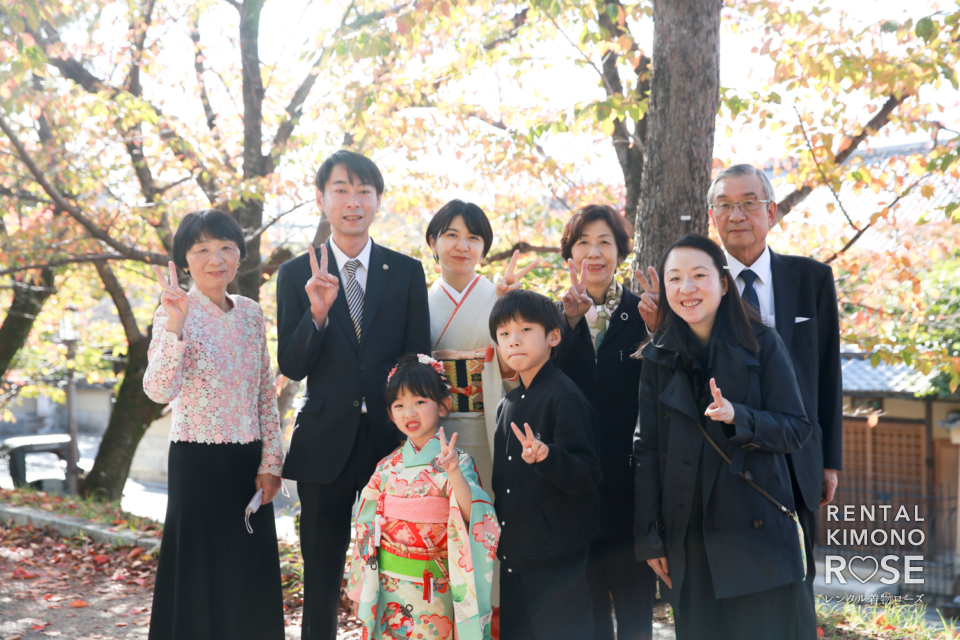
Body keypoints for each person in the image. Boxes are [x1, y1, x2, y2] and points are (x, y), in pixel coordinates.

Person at [276, 150, 431, 640]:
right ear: (322, 200)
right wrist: (317, 315)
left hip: (393, 444)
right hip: (324, 444)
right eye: (341, 189)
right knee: (321, 575)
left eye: (364, 191)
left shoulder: (405, 272)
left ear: (379, 201)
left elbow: (416, 361)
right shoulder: (294, 274)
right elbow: (292, 365)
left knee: (398, 571)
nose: (353, 201)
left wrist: (417, 441)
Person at [633, 234, 812, 640]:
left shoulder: (762, 342)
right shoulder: (657, 355)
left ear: (724, 282)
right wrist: (650, 538)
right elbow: (646, 450)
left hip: (755, 535)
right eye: (674, 278)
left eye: (699, 275)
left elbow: (797, 427)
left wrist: (739, 417)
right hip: (687, 536)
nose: (687, 288)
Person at [706, 164, 842, 634]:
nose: (736, 214)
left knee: (796, 593)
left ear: (771, 211)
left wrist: (830, 460)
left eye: (748, 203)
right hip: (727, 461)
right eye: (725, 204)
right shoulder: (696, 285)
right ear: (712, 215)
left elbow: (828, 375)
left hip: (797, 456)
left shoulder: (811, 278)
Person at [143, 209, 284, 640]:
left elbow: (264, 392)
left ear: (239, 255)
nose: (215, 258)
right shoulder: (173, 311)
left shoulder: (251, 313)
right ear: (185, 260)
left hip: (248, 462)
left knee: (248, 567)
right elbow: (158, 390)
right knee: (199, 571)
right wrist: (176, 325)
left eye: (225, 247)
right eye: (201, 249)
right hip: (197, 460)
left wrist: (272, 461)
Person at [553, 204, 656, 640]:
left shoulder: (646, 312)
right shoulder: (552, 316)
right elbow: (539, 382)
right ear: (569, 255)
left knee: (635, 607)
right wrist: (570, 321)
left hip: (631, 485)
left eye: (604, 242)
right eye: (583, 243)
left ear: (621, 252)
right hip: (573, 485)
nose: (593, 253)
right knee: (587, 610)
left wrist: (658, 332)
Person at [346, 354, 500, 640]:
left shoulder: (457, 462)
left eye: (419, 402)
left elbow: (475, 516)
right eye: (399, 405)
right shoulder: (386, 467)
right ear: (391, 415)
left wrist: (453, 472)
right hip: (388, 583)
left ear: (443, 406)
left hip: (435, 585)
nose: (409, 413)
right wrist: (360, 588)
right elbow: (365, 526)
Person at [489, 290, 603, 640]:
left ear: (553, 336)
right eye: (505, 333)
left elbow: (588, 473)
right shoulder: (507, 403)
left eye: (525, 329)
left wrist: (548, 457)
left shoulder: (563, 395)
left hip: (557, 559)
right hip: (515, 554)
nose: (514, 340)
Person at [426, 198, 535, 489]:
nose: (463, 246)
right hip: (436, 430)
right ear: (432, 243)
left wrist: (511, 308)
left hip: (494, 423)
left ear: (483, 250)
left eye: (473, 238)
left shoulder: (501, 298)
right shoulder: (418, 305)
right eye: (451, 235)